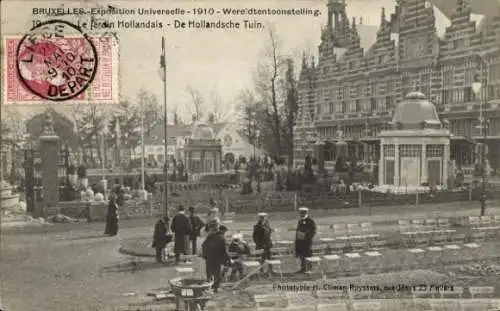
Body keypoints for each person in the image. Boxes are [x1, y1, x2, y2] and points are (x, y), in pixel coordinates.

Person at [202, 222, 231, 293]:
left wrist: (205, 255)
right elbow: (225, 251)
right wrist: (229, 260)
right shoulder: (222, 239)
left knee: (209, 274)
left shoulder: (210, 236)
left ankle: (207, 288)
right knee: (217, 274)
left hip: (209, 258)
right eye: (225, 232)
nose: (225, 233)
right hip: (217, 259)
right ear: (223, 231)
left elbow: (203, 245)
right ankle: (215, 288)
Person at [295, 207, 316, 273]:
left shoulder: (310, 220)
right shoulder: (300, 221)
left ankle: (309, 268)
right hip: (300, 240)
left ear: (305, 213)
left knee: (307, 254)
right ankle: (303, 268)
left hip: (307, 241)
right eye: (300, 213)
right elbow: (298, 230)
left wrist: (307, 235)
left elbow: (313, 230)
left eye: (302, 213)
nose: (301, 214)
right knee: (301, 255)